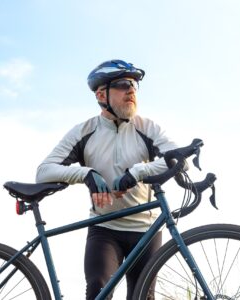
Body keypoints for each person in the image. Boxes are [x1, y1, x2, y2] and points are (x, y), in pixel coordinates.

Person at [36, 59, 178, 299]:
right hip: (105, 228)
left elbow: (175, 159)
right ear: (102, 94)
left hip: (146, 229)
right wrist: (87, 174)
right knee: (98, 290)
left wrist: (137, 173)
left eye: (134, 85)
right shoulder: (84, 131)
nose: (131, 90)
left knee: (143, 297)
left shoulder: (147, 127)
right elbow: (43, 171)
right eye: (123, 84)